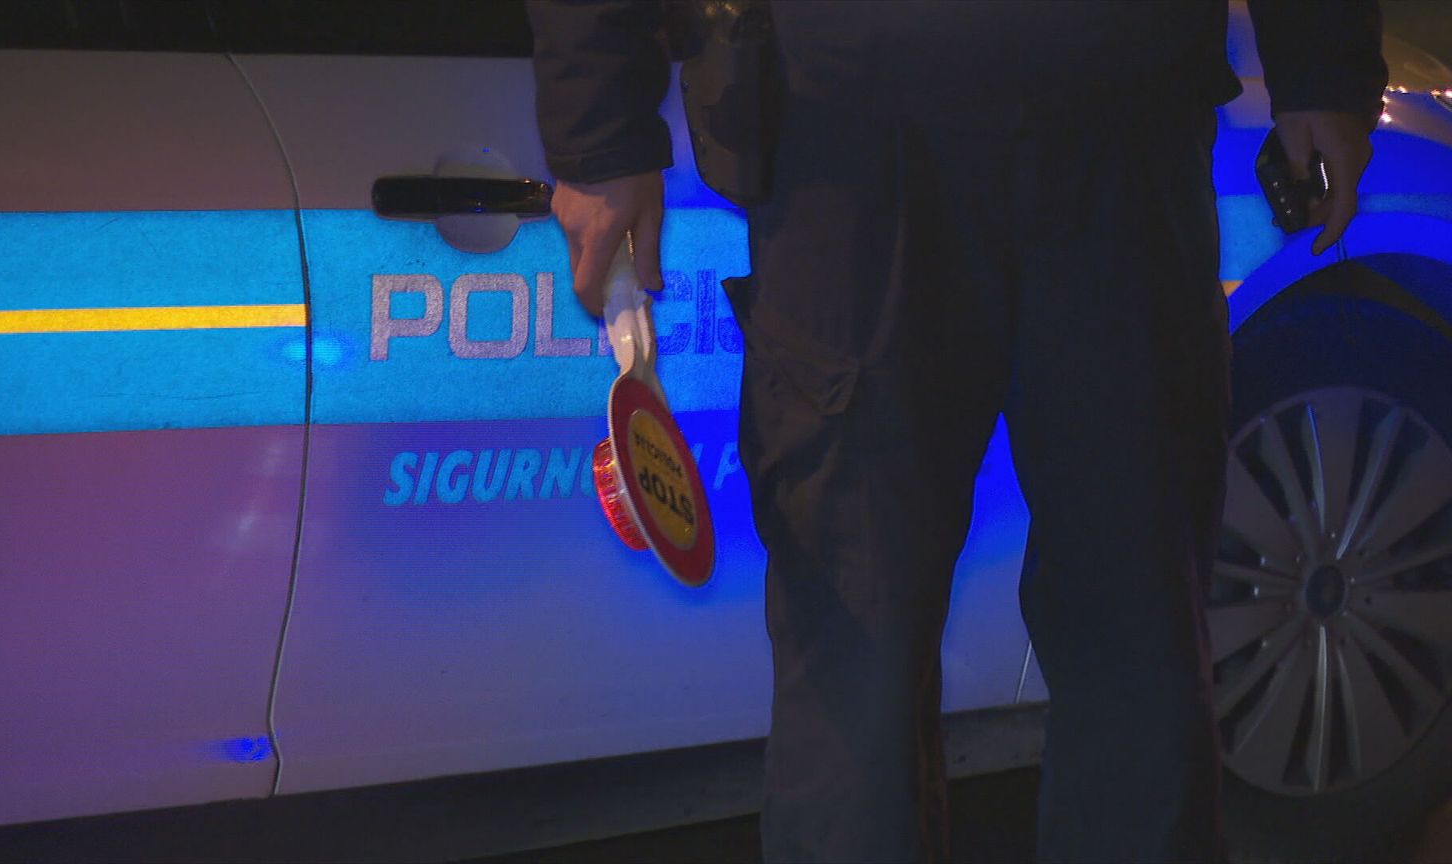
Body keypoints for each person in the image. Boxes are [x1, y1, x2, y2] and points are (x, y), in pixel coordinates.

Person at [525, 2, 1385, 861]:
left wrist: (1322, 60)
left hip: (1115, 131)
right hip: (864, 147)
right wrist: (599, 131)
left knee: (1140, 656)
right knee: (859, 679)